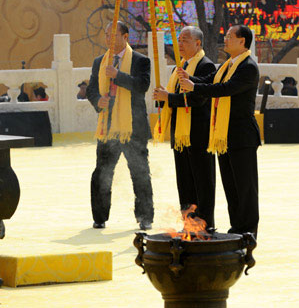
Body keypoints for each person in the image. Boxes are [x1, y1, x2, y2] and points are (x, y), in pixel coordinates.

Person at [178, 25, 261, 237]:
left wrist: (194, 87)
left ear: (242, 41)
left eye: (229, 36)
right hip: (224, 136)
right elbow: (211, 81)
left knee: (245, 188)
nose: (225, 39)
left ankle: (248, 231)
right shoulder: (227, 65)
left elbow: (225, 89)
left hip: (242, 136)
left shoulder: (248, 67)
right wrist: (191, 79)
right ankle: (236, 228)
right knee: (231, 187)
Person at [86, 21, 154, 230]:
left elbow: (142, 86)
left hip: (133, 126)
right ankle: (100, 216)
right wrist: (98, 100)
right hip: (107, 126)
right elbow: (91, 90)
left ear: (125, 37)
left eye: (113, 35)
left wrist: (118, 76)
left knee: (139, 172)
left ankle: (145, 217)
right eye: (106, 35)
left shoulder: (140, 61)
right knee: (102, 172)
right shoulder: (100, 61)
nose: (109, 39)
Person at [153, 26, 216, 228]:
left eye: (185, 40)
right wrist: (163, 97)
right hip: (180, 135)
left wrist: (169, 97)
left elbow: (198, 99)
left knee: (202, 182)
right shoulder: (178, 69)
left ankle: (205, 224)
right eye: (179, 40)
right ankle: (189, 224)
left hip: (198, 134)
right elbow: (173, 100)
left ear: (198, 43)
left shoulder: (206, 66)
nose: (180, 44)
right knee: (185, 182)